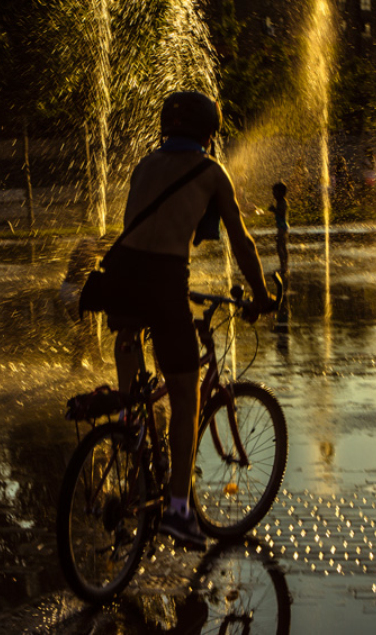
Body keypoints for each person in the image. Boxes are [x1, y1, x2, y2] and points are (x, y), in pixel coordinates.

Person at [101, 91, 275, 549]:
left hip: (119, 275)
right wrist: (261, 296)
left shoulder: (145, 165)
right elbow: (241, 243)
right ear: (209, 132)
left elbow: (144, 227)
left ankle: (127, 418)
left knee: (129, 333)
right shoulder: (211, 171)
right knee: (185, 395)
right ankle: (179, 511)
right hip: (163, 281)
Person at [268, 181, 289, 274]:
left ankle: (283, 266)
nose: (273, 194)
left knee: (279, 246)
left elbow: (282, 214)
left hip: (282, 227)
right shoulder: (280, 201)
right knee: (283, 246)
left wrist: (274, 210)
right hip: (282, 227)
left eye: (275, 192)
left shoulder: (283, 202)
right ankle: (284, 266)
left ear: (281, 193)